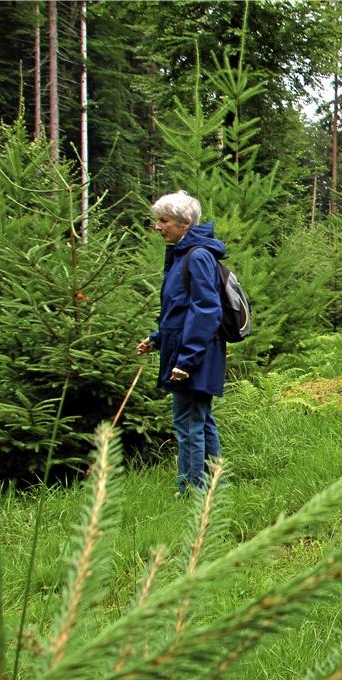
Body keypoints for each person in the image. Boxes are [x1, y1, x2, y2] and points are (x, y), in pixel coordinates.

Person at [136, 190, 228, 495]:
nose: (158, 227)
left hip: (195, 354)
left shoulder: (197, 256)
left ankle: (191, 490)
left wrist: (186, 359)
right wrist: (157, 338)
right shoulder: (182, 254)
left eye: (164, 220)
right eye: (157, 220)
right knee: (201, 419)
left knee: (188, 422)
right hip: (189, 349)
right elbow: (180, 310)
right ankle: (214, 484)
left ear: (185, 223)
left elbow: (206, 310)